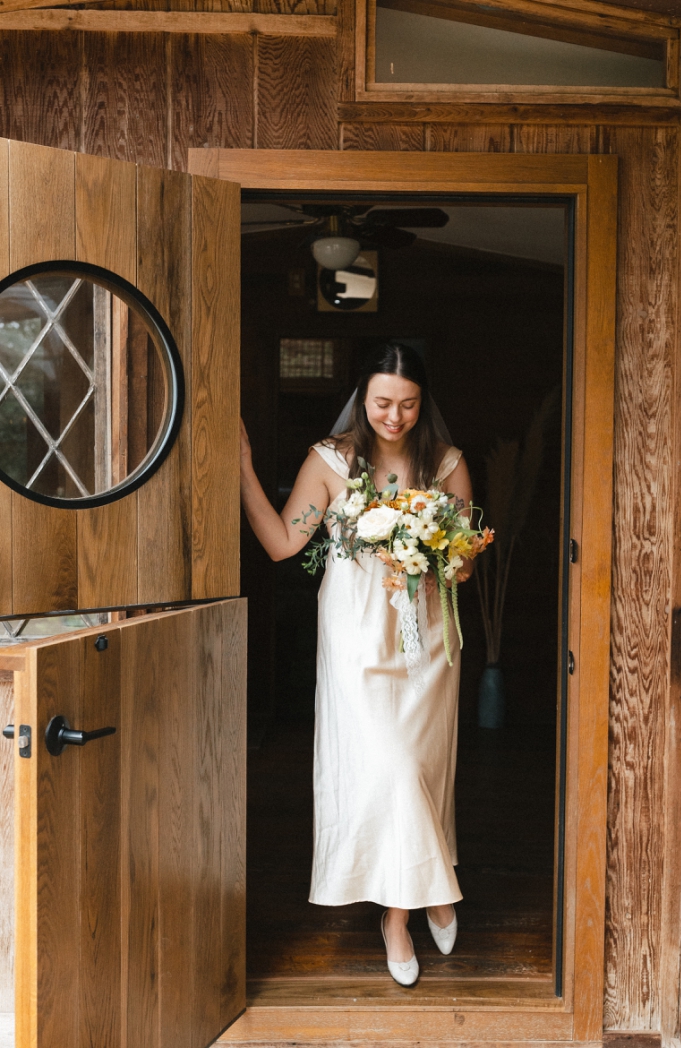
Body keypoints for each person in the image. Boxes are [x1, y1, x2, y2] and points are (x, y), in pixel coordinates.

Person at [239, 342, 474, 987]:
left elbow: (466, 561)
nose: (393, 417)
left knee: (419, 773)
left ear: (423, 404)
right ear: (361, 398)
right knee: (391, 770)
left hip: (426, 639)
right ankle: (422, 900)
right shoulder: (333, 461)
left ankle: (404, 906)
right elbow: (285, 543)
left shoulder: (445, 464)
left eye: (406, 405)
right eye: (381, 403)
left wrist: (430, 549)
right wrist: (243, 471)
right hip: (354, 639)